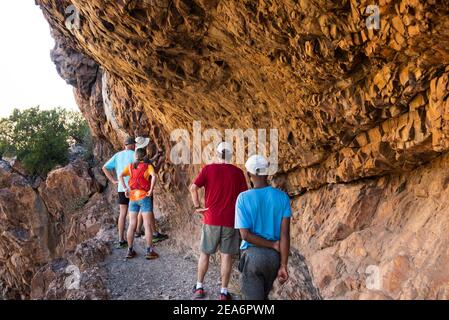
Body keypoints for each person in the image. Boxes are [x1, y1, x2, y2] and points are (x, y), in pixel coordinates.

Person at [189, 142, 248, 300]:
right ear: (231, 155)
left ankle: (199, 287)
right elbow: (244, 198)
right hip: (230, 220)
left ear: (216, 153)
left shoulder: (208, 169)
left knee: (205, 254)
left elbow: (193, 188)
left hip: (211, 218)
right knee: (226, 256)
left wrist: (197, 206)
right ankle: (223, 292)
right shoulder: (238, 173)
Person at [235, 155, 291, 300]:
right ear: (266, 173)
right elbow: (285, 235)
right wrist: (283, 265)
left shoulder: (243, 198)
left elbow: (245, 235)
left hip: (252, 257)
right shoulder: (282, 197)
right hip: (273, 259)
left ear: (249, 174)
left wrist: (272, 244)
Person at [119, 148, 159, 260]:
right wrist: (151, 190)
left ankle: (130, 250)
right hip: (144, 196)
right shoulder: (148, 166)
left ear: (135, 156)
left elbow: (120, 176)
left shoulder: (131, 166)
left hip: (133, 197)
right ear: (145, 156)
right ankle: (149, 251)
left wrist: (125, 188)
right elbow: (154, 176)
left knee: (132, 224)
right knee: (147, 224)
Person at [102, 136, 137, 249]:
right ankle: (134, 236)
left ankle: (121, 239)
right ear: (132, 145)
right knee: (134, 213)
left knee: (122, 214)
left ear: (124, 145)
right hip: (133, 188)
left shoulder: (118, 155)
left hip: (122, 188)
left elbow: (104, 167)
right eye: (134, 145)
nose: (135, 146)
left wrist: (113, 180)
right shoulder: (134, 154)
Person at [134, 144, 169, 243]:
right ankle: (154, 234)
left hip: (136, 190)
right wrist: (161, 161)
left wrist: (156, 156)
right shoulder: (146, 163)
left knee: (142, 209)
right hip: (146, 190)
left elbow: (149, 161)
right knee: (149, 211)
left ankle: (137, 231)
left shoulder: (136, 162)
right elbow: (154, 171)